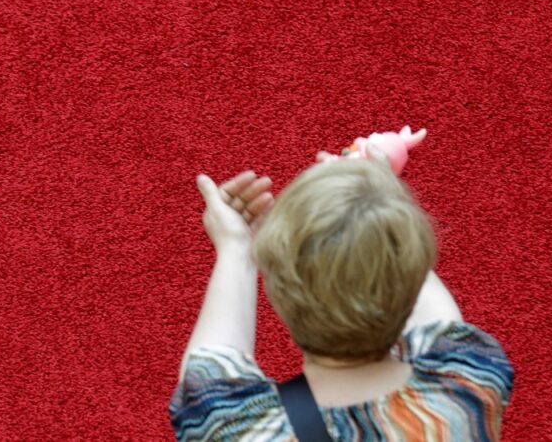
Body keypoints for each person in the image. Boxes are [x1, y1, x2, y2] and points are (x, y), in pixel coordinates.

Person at [171, 156, 513, 440]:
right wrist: (377, 206)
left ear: (277, 298)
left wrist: (237, 249)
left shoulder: (235, 428)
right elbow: (438, 318)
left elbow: (206, 371)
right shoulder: (469, 383)